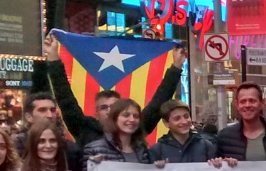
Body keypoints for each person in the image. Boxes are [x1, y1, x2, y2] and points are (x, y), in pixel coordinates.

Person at [44, 33, 185, 159]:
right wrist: (53, 59)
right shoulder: (84, 129)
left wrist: (176, 67)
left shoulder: (134, 129)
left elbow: (158, 103)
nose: (110, 111)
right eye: (104, 107)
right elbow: (65, 98)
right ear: (96, 113)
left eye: (115, 107)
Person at [82, 98, 156, 171]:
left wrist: (159, 170)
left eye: (136, 116)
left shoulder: (143, 150)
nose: (132, 119)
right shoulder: (94, 149)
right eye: (126, 115)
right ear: (114, 118)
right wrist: (95, 168)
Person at [150, 101, 220, 164]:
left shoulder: (206, 145)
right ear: (166, 123)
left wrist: (217, 164)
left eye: (186, 116)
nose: (184, 122)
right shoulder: (157, 150)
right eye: (177, 119)